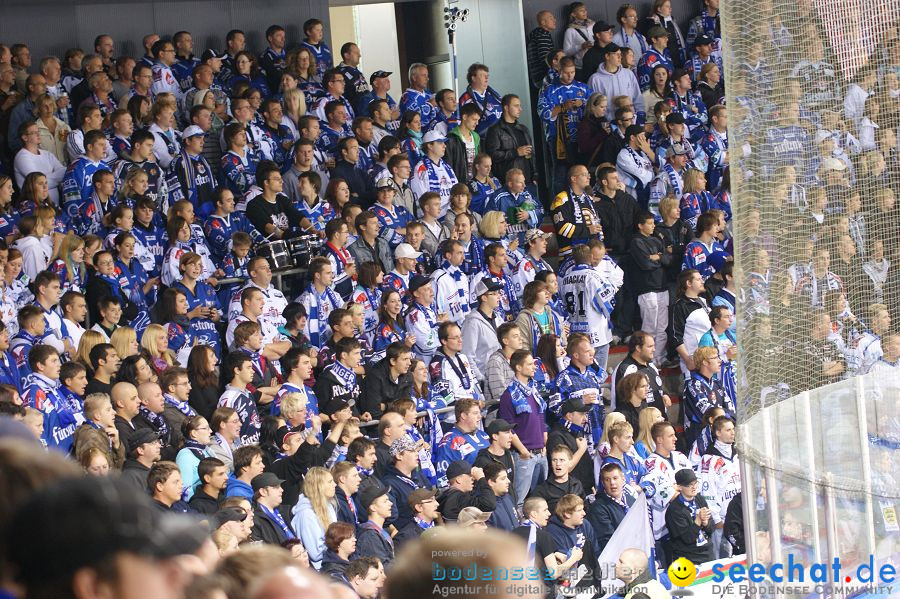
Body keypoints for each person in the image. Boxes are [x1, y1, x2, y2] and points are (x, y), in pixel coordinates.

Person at [641, 420, 692, 565]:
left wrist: (676, 486)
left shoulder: (681, 457)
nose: (675, 438)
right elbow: (667, 494)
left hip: (688, 523)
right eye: (671, 436)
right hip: (665, 529)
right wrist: (677, 488)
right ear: (659, 439)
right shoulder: (651, 463)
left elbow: (693, 484)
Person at [698, 416, 740, 558]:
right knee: (722, 557)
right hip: (722, 520)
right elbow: (707, 490)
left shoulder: (738, 453)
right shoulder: (709, 459)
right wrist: (716, 519)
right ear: (718, 432)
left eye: (733, 429)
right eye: (728, 430)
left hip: (740, 515)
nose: (733, 432)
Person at [666, 468, 715, 563]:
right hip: (688, 558)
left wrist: (705, 523)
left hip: (707, 554)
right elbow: (687, 539)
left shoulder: (699, 499)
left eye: (695, 483)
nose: (694, 487)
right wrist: (698, 521)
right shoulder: (674, 510)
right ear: (679, 487)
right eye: (689, 485)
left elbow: (711, 530)